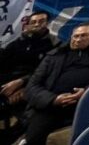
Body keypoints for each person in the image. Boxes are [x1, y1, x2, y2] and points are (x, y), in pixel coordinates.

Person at [24, 22, 89, 145]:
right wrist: (53, 99)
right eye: (76, 36)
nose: (78, 39)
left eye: (83, 35)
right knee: (33, 138)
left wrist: (88, 91)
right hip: (54, 104)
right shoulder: (55, 54)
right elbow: (32, 86)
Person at [0, 12, 55, 143]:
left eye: (41, 21)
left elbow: (46, 73)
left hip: (31, 86)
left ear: (47, 24)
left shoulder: (54, 45)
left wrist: (23, 85)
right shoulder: (18, 43)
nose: (36, 25)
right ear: (28, 25)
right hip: (7, 84)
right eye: (33, 22)